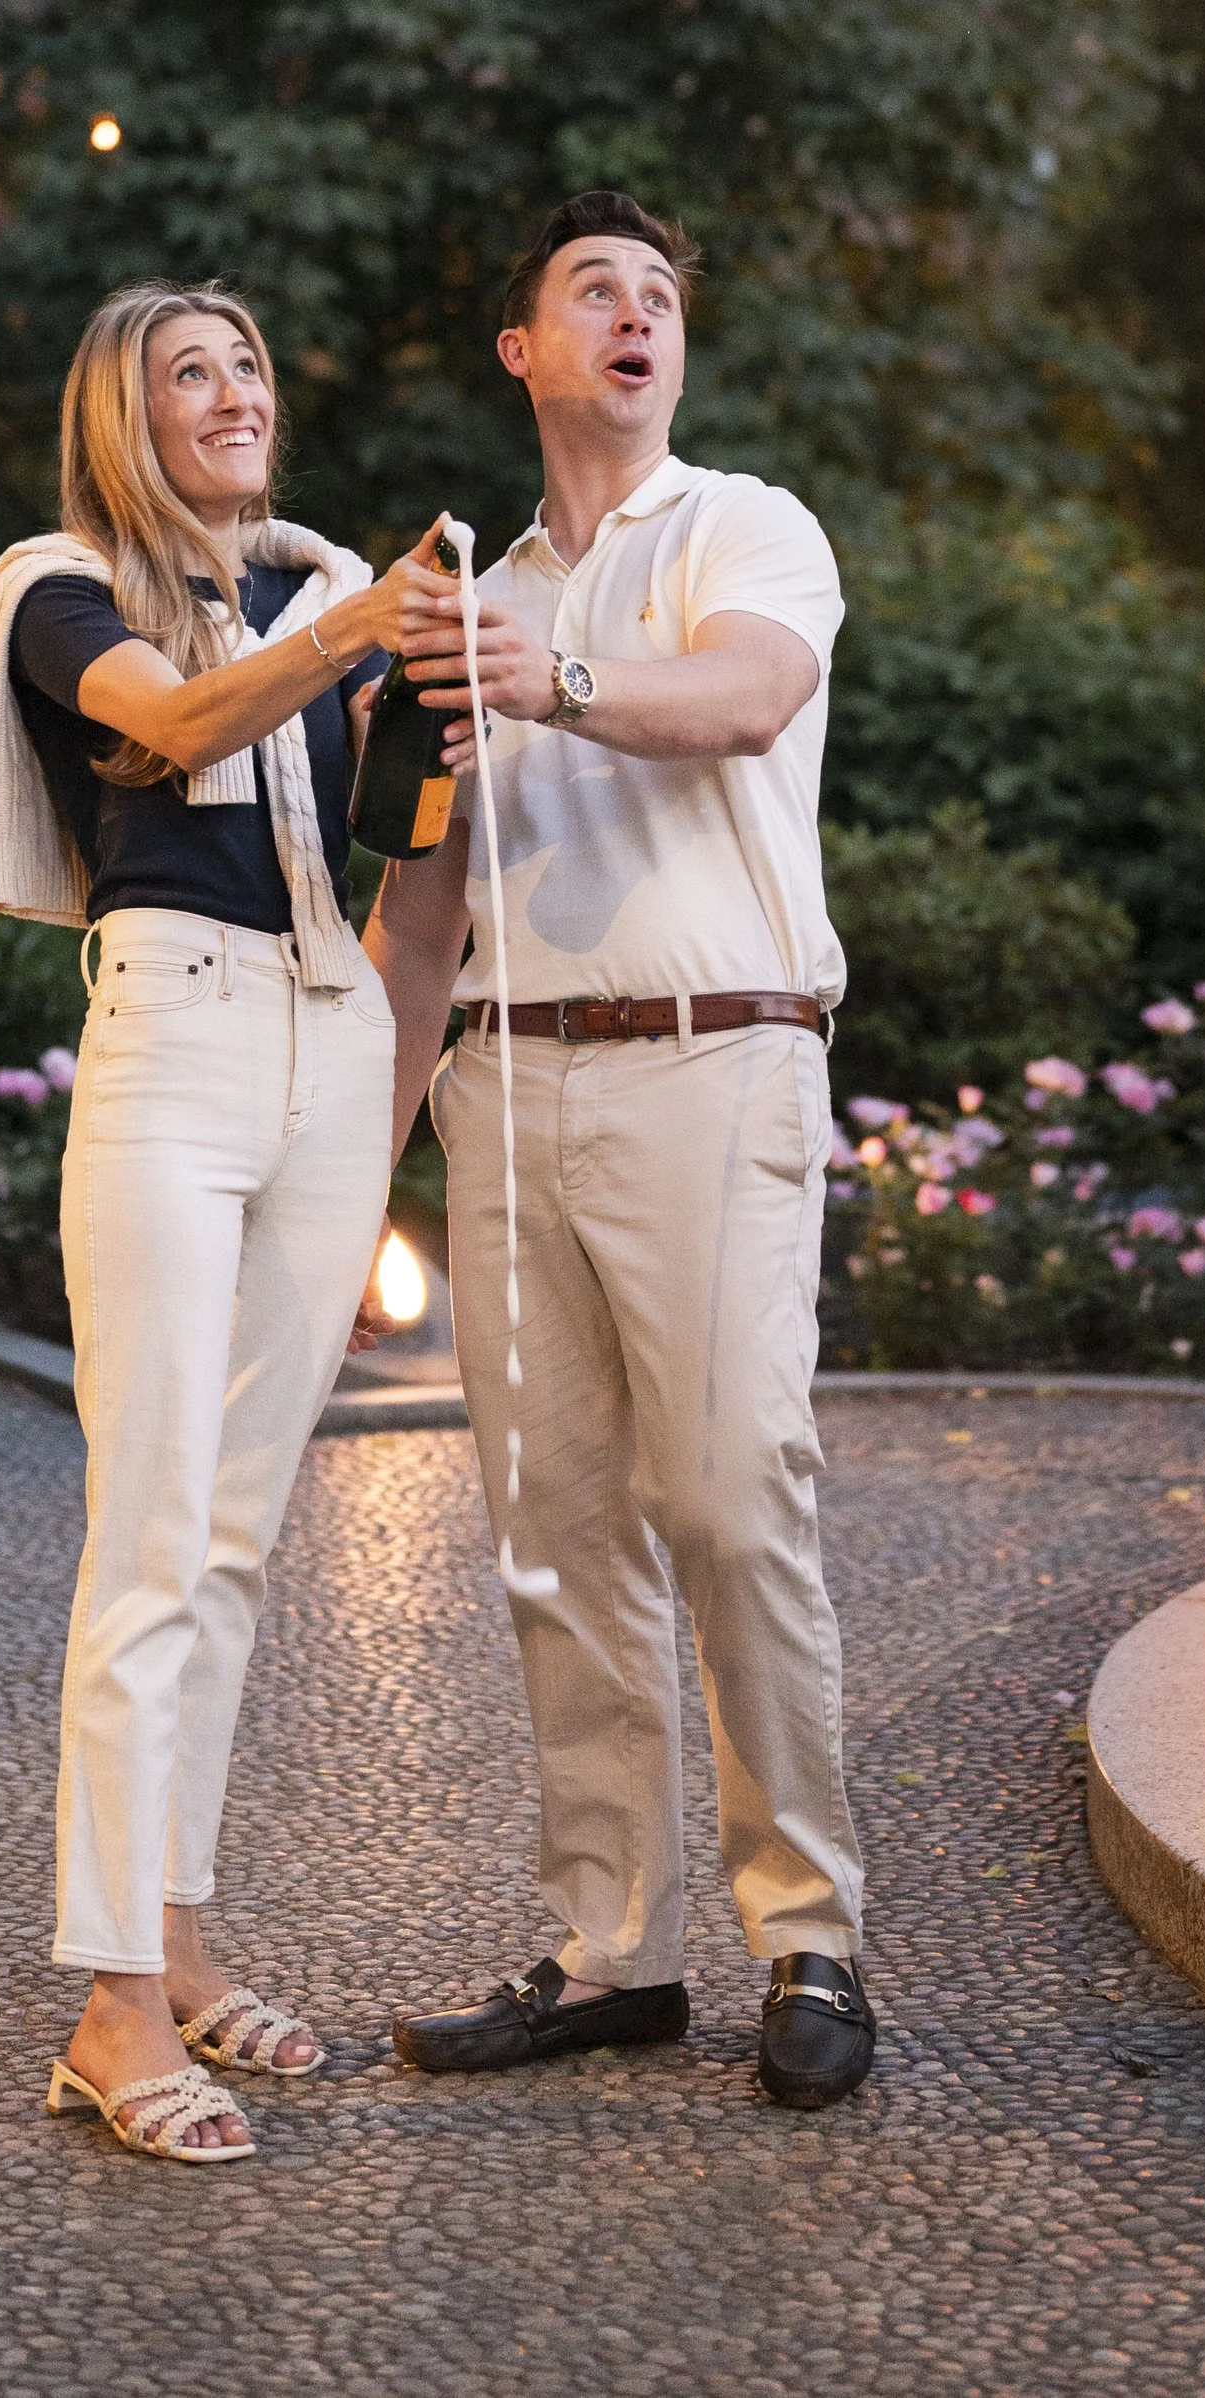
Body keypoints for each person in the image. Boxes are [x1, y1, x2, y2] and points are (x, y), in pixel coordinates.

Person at [365, 192, 874, 2111]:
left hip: (714, 1055)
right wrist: (360, 1173)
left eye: (663, 295)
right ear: (524, 348)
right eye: (597, 291)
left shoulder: (743, 527)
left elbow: (748, 697)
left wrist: (553, 676)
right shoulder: (459, 594)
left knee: (738, 1497)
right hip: (506, 1082)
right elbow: (421, 917)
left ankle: (811, 1938)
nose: (639, 316)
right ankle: (612, 1949)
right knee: (554, 1531)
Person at [0, 277, 449, 2169]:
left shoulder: (326, 588)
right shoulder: (58, 582)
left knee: (242, 1534)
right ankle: (106, 2004)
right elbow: (173, 730)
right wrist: (350, 623)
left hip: (329, 1041)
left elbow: (412, 867)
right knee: (152, 1526)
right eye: (194, 369)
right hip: (170, 1030)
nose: (236, 388)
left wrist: (433, 718)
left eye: (249, 361)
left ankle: (174, 1937)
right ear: (129, 417)